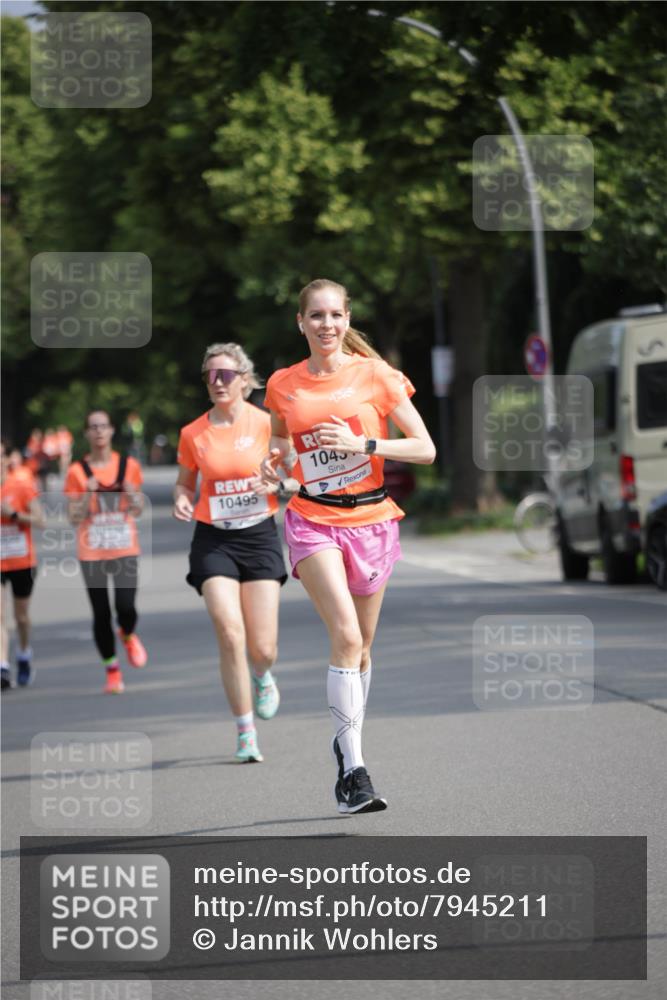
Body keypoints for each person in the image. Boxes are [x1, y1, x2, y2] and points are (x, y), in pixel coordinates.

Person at [262, 278, 435, 814]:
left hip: (374, 519)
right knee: (345, 633)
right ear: (301, 323)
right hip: (313, 519)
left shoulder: (376, 376)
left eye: (335, 315)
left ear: (347, 318)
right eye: (316, 316)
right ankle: (355, 773)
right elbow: (280, 442)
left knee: (362, 649)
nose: (327, 325)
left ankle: (345, 743)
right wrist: (277, 464)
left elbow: (425, 449)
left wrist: (365, 443)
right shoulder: (283, 384)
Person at [174, 343, 294, 763]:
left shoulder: (267, 425)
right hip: (214, 540)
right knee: (229, 632)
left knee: (263, 647)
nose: (218, 382)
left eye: (226, 375)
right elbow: (185, 482)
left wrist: (277, 486)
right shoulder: (193, 433)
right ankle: (245, 731)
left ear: (245, 379)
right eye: (210, 375)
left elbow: (295, 480)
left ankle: (262, 675)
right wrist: (183, 498)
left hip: (259, 536)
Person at [64, 411, 147, 694]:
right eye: (93, 427)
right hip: (92, 551)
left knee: (126, 607)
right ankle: (112, 670)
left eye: (103, 426)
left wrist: (133, 494)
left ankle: (127, 632)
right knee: (100, 613)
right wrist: (87, 495)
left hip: (124, 547)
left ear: (112, 430)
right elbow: (73, 517)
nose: (99, 432)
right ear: (86, 433)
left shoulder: (129, 465)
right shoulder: (77, 471)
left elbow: (138, 509)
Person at [1, 439, 45, 689]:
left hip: (21, 559)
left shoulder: (21, 484)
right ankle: (3, 667)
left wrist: (13, 515)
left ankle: (24, 654)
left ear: (7, 459)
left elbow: (41, 521)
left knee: (21, 617)